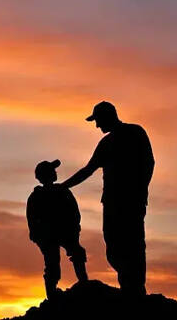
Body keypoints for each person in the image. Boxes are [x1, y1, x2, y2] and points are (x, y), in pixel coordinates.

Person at [61, 101, 154, 296]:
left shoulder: (135, 133)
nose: (97, 126)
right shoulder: (106, 143)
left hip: (130, 202)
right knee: (114, 245)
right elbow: (88, 170)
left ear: (107, 117)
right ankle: (129, 286)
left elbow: (149, 162)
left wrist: (139, 189)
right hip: (112, 203)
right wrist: (63, 186)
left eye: (98, 121)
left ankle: (135, 290)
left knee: (133, 243)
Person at [27, 159, 89, 300]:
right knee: (55, 262)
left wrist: (74, 228)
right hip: (52, 234)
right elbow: (32, 220)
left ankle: (81, 284)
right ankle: (57, 292)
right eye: (52, 171)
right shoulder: (55, 193)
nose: (55, 172)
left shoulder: (40, 195)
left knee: (63, 258)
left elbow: (74, 213)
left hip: (60, 233)